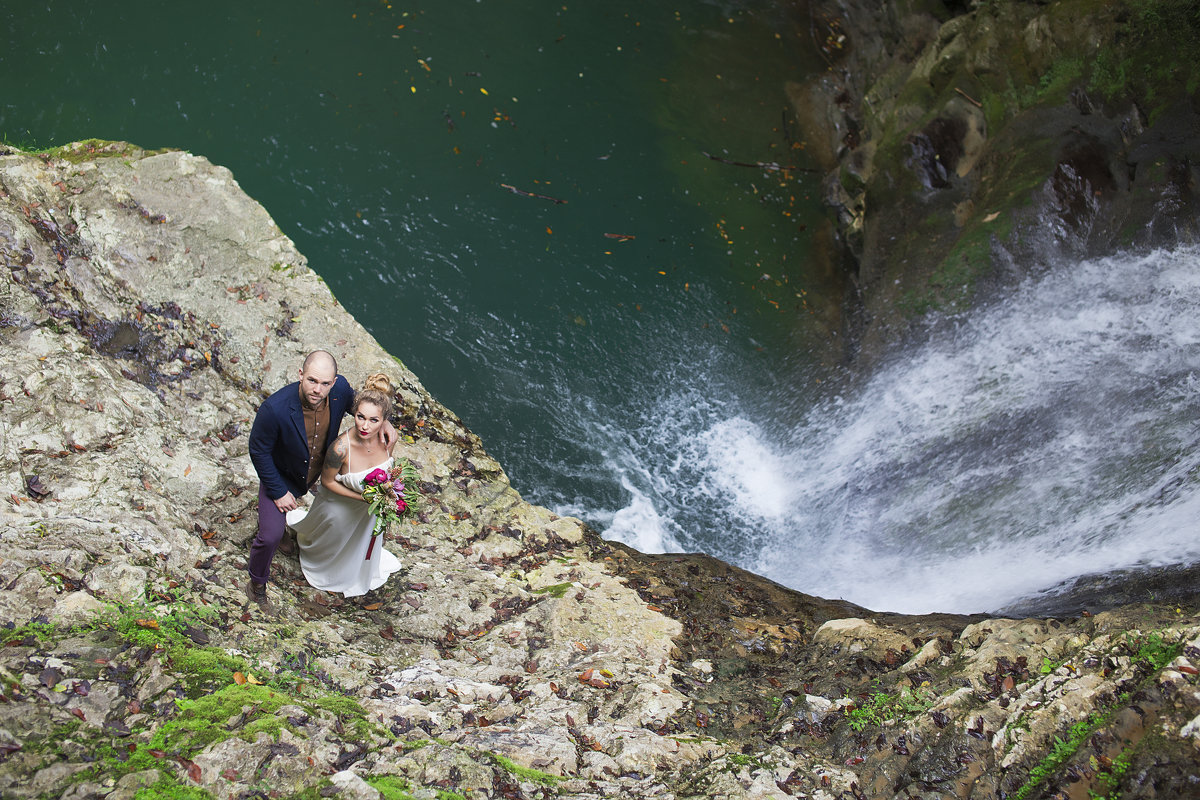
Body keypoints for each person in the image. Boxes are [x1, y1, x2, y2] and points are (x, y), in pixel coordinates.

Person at [245, 351, 391, 612]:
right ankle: (256, 583)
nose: (317, 389)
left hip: (316, 472)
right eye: (312, 380)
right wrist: (278, 492)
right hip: (282, 476)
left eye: (325, 383)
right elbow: (258, 451)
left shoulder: (341, 390)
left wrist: (385, 422)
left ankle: (289, 533)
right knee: (269, 536)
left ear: (334, 382)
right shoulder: (274, 409)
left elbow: (364, 409)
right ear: (300, 375)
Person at [285, 373, 402, 597]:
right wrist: (366, 499)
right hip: (339, 508)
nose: (365, 425)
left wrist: (385, 496)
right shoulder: (340, 448)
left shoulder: (387, 440)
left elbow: (386, 473)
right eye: (360, 417)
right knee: (330, 552)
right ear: (354, 413)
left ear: (384, 420)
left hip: (368, 513)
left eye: (374, 420)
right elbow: (327, 483)